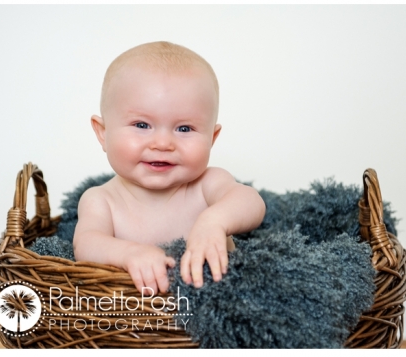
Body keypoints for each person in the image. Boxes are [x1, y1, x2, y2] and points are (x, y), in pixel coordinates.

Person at [73, 41, 266, 295]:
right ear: (103, 133)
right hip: (133, 318)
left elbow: (251, 202)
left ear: (212, 138)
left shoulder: (207, 184)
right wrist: (129, 253)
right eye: (142, 125)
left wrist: (214, 222)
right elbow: (86, 244)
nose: (163, 144)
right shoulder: (101, 199)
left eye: (184, 129)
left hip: (210, 312)